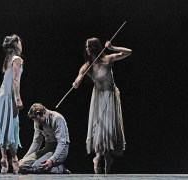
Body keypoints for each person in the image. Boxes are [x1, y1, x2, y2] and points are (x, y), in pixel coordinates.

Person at [72, 37, 132, 174]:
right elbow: (78, 77)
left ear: (95, 47)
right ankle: (99, 155)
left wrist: (112, 47)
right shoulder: (88, 66)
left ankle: (106, 155)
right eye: (86, 47)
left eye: (89, 47)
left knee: (109, 127)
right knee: (99, 126)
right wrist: (76, 82)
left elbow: (129, 52)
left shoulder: (108, 59)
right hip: (98, 98)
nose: (87, 49)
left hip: (110, 96)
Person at [0, 34, 24, 174]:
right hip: (9, 96)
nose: (21, 44)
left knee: (3, 125)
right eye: (20, 42)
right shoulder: (17, 59)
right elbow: (15, 80)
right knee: (11, 126)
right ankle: (14, 158)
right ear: (16, 44)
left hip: (1, 96)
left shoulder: (7, 59)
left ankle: (4, 158)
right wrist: (18, 98)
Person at [18, 103, 71, 174]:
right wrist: (24, 158)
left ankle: (59, 168)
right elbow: (36, 142)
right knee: (21, 166)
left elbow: (62, 143)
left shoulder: (57, 118)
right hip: (48, 148)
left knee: (37, 166)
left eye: (39, 121)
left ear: (43, 113)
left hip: (61, 149)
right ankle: (43, 168)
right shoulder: (37, 121)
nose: (38, 123)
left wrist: (52, 160)